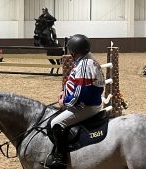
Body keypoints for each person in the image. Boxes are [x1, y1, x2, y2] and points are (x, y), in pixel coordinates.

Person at [46, 34, 106, 168]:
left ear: (74, 51)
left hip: (85, 106)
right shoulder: (89, 60)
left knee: (56, 123)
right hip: (90, 103)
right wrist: (65, 91)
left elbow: (80, 94)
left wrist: (65, 102)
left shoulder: (84, 65)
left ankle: (60, 158)